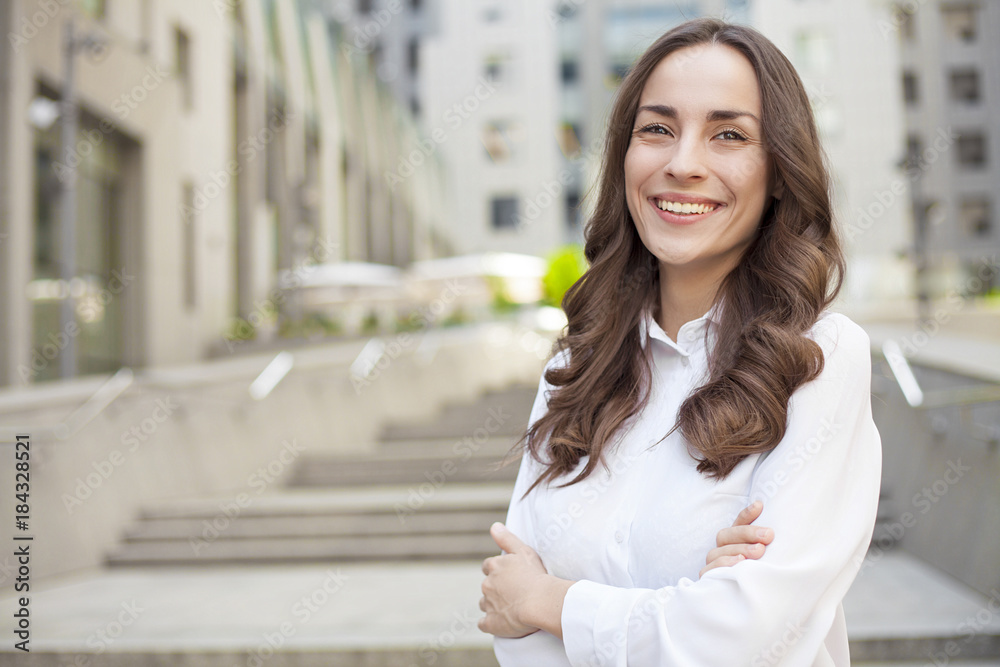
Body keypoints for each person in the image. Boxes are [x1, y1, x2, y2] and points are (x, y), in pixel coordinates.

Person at [477, 17, 882, 666]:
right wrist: (686, 598)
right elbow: (511, 625)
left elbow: (745, 634)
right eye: (657, 129)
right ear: (624, 155)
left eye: (728, 134)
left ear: (779, 171)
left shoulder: (820, 357)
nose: (683, 164)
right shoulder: (576, 363)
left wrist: (552, 600)